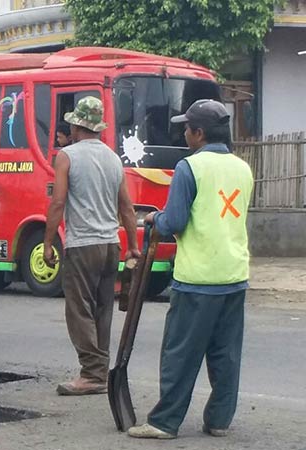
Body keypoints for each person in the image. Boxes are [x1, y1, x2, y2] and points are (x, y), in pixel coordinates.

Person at [128, 99, 254, 439]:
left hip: (198, 277)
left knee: (180, 353)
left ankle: (164, 422)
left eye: (187, 128)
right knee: (225, 354)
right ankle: (218, 421)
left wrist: (155, 217)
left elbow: (175, 222)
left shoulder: (190, 167)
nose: (184, 133)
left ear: (199, 133)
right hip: (234, 273)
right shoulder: (243, 168)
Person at [43, 97, 141, 395]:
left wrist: (48, 243)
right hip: (110, 244)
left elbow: (58, 201)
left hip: (82, 245)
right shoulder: (113, 157)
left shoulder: (67, 155)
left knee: (78, 309)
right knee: (102, 309)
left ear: (76, 125)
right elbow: (126, 207)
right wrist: (133, 247)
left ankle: (92, 373)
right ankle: (99, 370)